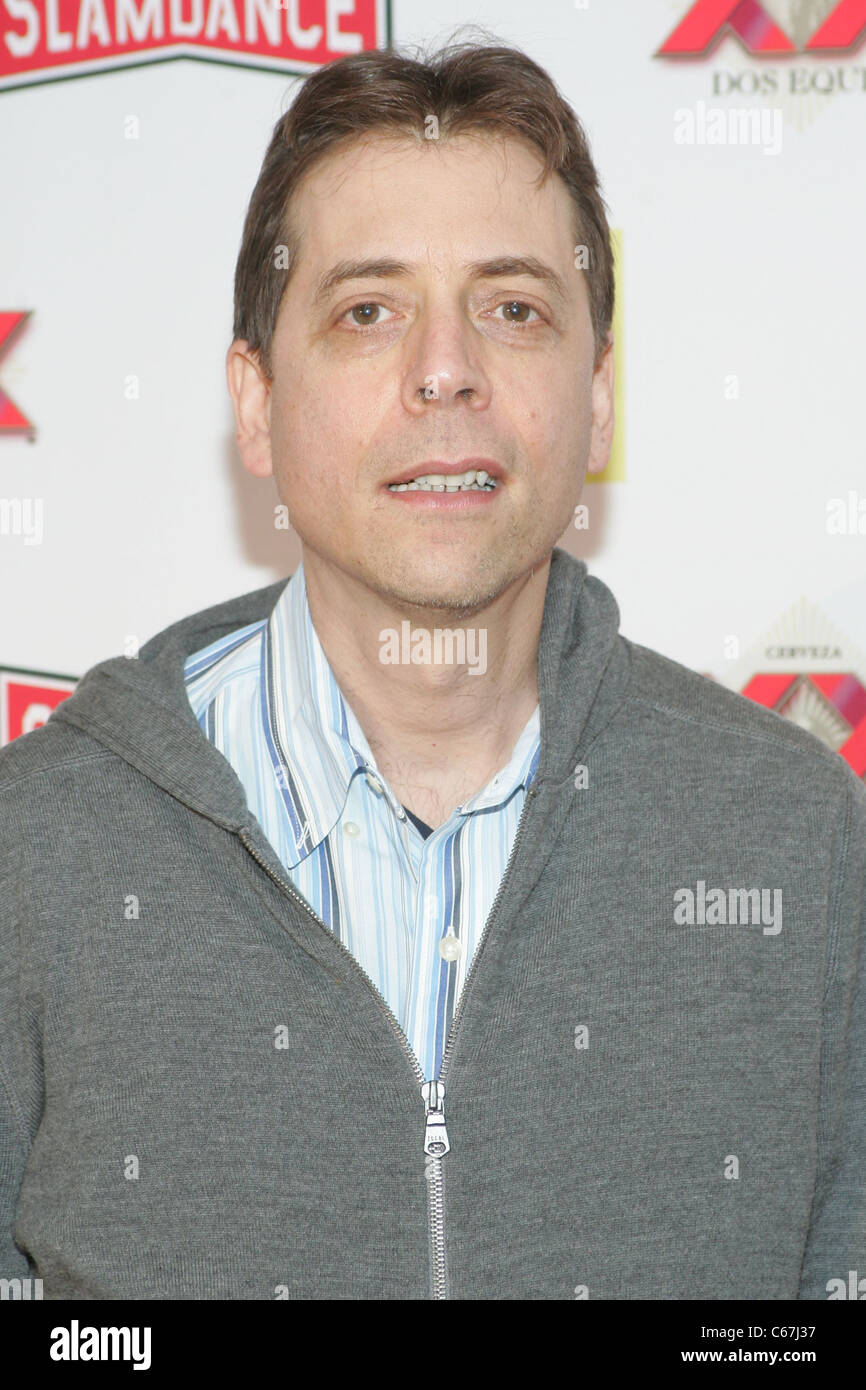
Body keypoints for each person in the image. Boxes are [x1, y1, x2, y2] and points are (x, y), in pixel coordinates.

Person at [1, 36, 863, 1302]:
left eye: (512, 307)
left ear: (599, 395)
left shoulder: (793, 844)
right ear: (255, 402)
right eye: (367, 310)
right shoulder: (35, 852)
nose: (445, 369)